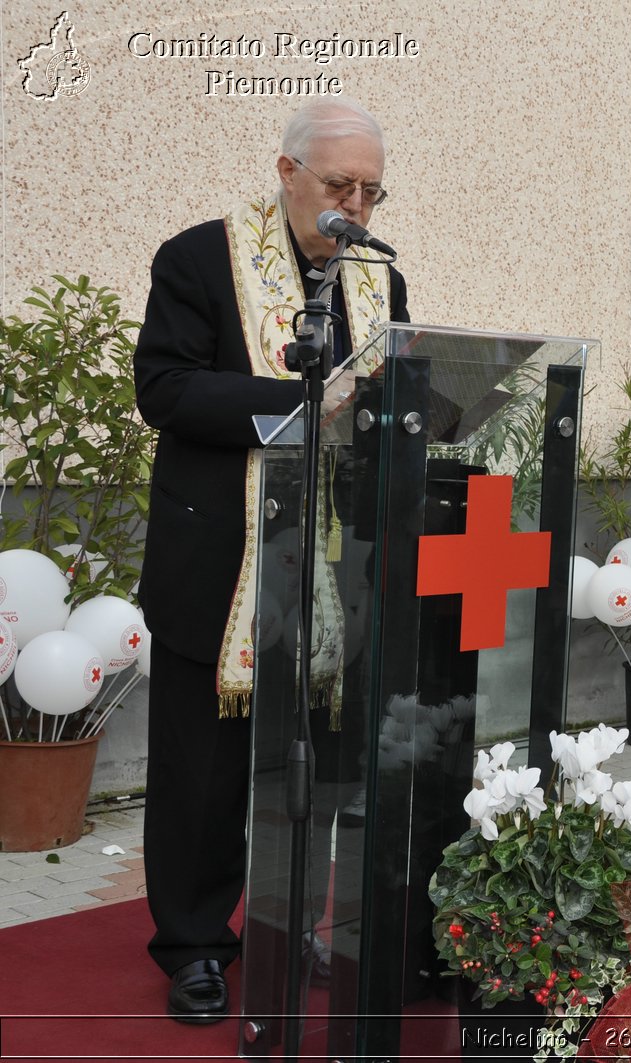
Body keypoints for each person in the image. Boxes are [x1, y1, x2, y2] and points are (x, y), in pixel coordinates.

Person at [134, 100, 408, 1024]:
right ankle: (198, 944)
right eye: (340, 186)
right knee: (202, 773)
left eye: (371, 190)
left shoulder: (376, 279)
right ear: (287, 172)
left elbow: (390, 388)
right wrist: (298, 401)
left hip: (334, 566)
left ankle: (299, 925)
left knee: (324, 768)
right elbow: (164, 388)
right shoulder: (197, 258)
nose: (357, 207)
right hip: (220, 560)